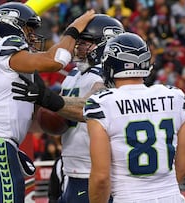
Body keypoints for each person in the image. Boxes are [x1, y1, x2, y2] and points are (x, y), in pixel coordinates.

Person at [0, 2, 95, 203]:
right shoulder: (6, 46)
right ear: (11, 25)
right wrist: (73, 30)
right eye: (28, 29)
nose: (32, 36)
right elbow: (55, 61)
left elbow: (27, 113)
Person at [83, 33, 185, 203]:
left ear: (110, 64)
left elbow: (101, 177)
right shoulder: (174, 97)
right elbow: (183, 167)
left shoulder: (102, 103)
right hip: (172, 197)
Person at [57, 14, 124, 203]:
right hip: (72, 167)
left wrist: (47, 100)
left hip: (95, 170)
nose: (78, 47)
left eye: (85, 42)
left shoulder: (110, 75)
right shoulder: (73, 75)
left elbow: (86, 108)